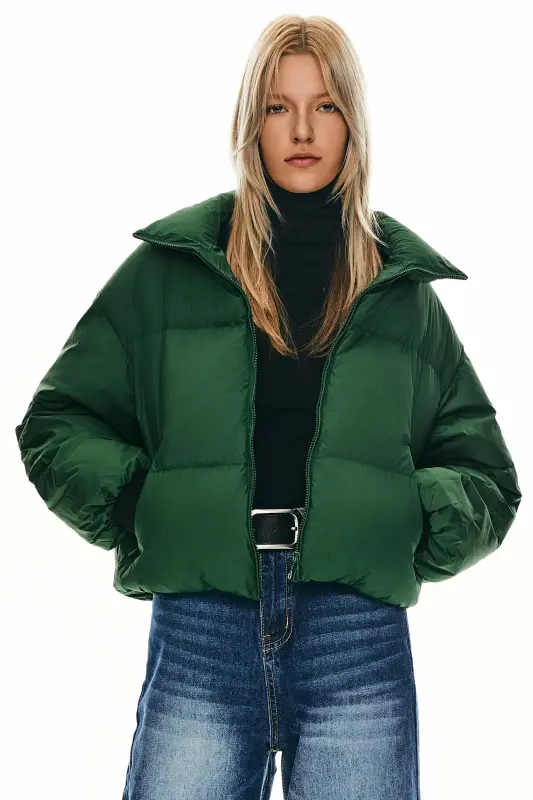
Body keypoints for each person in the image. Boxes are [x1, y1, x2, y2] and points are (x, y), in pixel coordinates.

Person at [14, 14, 521, 800]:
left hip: (354, 629)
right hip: (203, 620)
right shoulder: (171, 271)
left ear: (353, 123)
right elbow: (58, 422)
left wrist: (404, 517)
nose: (302, 130)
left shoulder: (399, 293)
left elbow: (485, 474)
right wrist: (140, 500)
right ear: (250, 123)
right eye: (277, 107)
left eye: (325, 106)